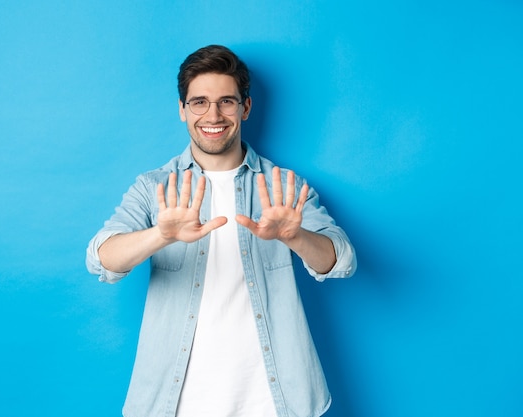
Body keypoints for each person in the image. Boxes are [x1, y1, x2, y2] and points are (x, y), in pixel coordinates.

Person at [86, 44, 356, 417]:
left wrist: (295, 236)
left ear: (245, 107)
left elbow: (341, 259)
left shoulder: (282, 187)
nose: (213, 115)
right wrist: (160, 235)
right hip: (177, 401)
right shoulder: (155, 188)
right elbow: (101, 257)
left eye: (226, 102)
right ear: (182, 110)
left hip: (274, 399)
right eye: (199, 102)